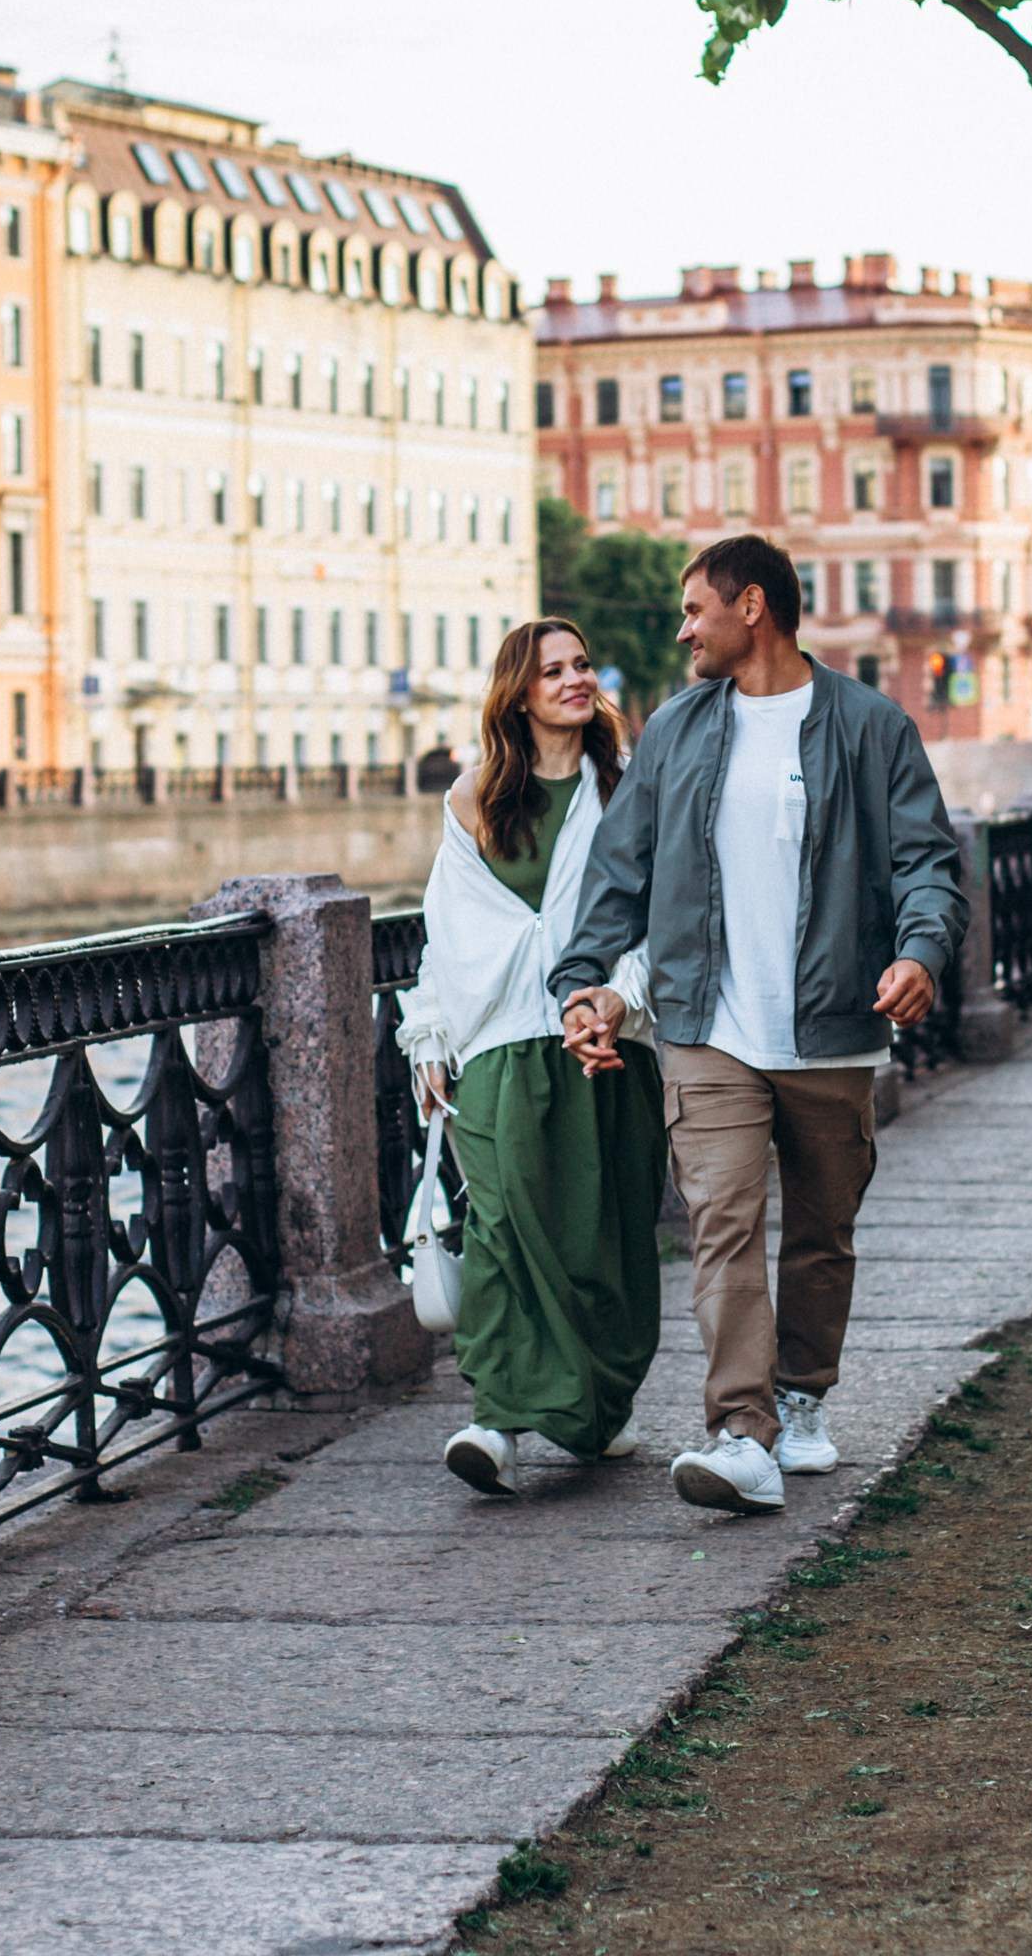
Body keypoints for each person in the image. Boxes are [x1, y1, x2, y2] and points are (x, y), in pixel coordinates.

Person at [550, 535, 968, 1517]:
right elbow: (622, 872)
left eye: (695, 609)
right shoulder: (678, 730)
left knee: (822, 1233)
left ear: (752, 608)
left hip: (833, 1031)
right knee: (722, 1228)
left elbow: (928, 863)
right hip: (708, 1027)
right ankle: (741, 1433)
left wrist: (921, 953)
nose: (684, 628)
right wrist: (582, 982)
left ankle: (800, 1399)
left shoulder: (870, 727)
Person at [396, 618, 668, 1497]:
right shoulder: (476, 798)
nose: (575, 680)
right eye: (553, 670)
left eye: (584, 664)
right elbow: (449, 924)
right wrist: (430, 1031)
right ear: (518, 691)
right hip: (504, 1046)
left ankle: (595, 1406)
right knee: (505, 1226)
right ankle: (497, 1420)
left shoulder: (629, 791)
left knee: (606, 1235)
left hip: (606, 1043)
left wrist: (614, 999)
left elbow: (656, 916)